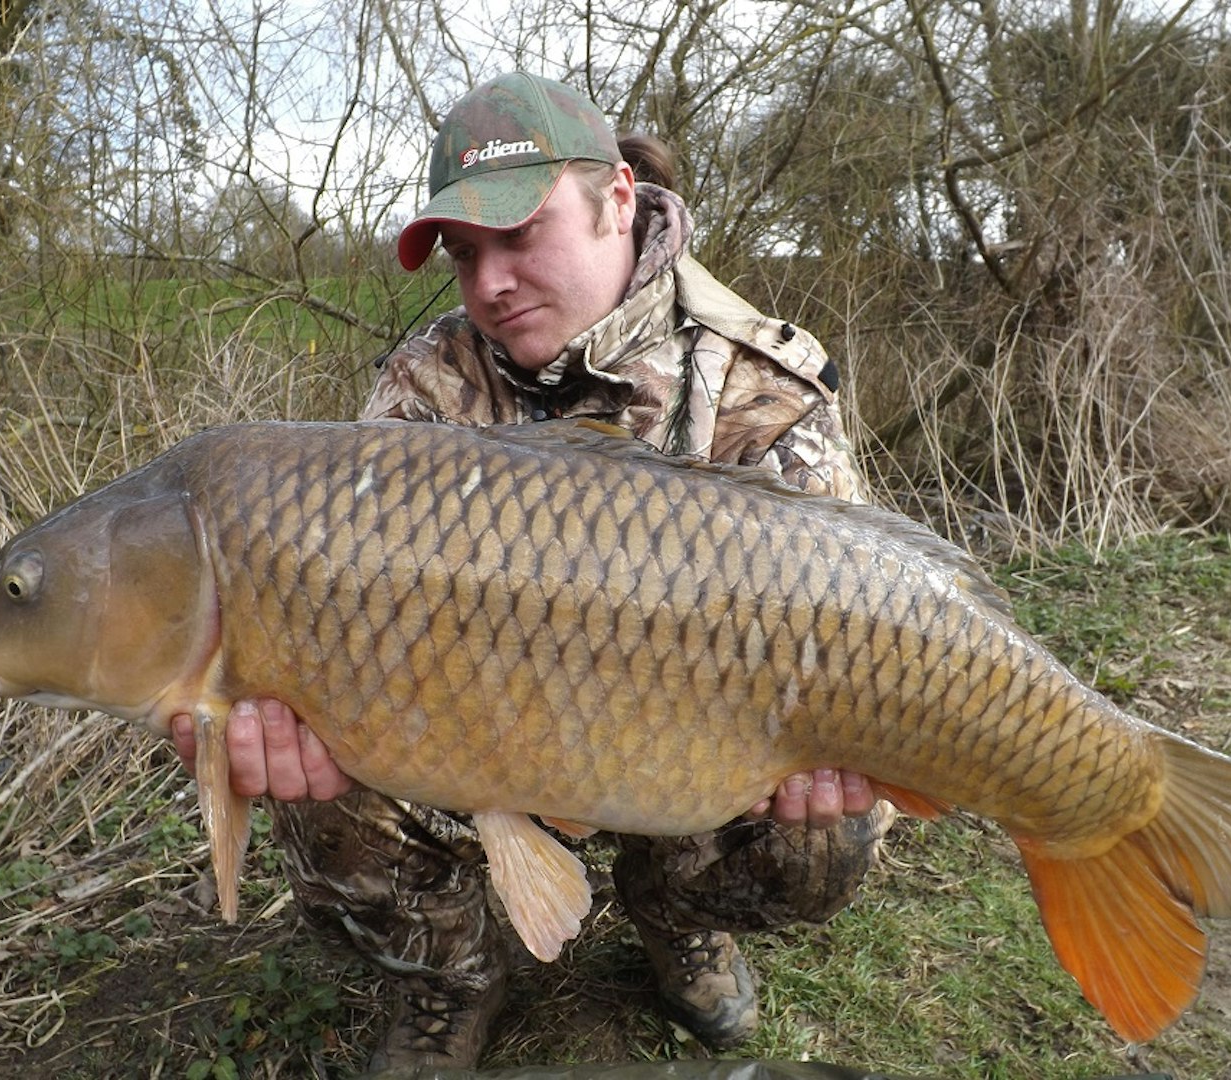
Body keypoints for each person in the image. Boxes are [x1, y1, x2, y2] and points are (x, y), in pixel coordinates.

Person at [172, 71, 894, 1071]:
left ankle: (673, 913)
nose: (490, 284)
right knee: (296, 739)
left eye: (520, 236)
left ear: (620, 201)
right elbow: (341, 612)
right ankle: (454, 974)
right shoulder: (426, 386)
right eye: (466, 255)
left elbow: (849, 621)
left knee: (833, 829)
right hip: (478, 740)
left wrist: (822, 748)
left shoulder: (761, 382)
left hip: (689, 749)